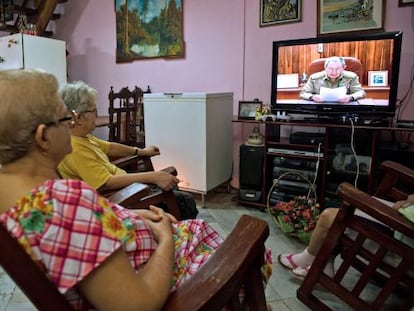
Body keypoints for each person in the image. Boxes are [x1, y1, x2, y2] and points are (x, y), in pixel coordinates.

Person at [0, 69, 272, 310]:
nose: (71, 123)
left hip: (137, 239)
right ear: (43, 137)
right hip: (166, 267)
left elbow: (84, 228)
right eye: (64, 118)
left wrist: (125, 215)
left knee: (196, 226)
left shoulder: (23, 193)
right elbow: (138, 304)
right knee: (248, 243)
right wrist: (165, 239)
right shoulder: (67, 203)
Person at [57, 81, 198, 219]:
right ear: (79, 118)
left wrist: (140, 151)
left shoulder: (83, 137)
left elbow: (110, 147)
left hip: (125, 189)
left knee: (171, 186)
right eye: (94, 110)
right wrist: (154, 176)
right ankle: (179, 236)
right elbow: (107, 182)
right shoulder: (74, 149)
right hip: (120, 200)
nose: (97, 115)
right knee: (185, 201)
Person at [277, 194, 414, 278]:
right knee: (359, 201)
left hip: (403, 237)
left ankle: (307, 258)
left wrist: (403, 206)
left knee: (329, 216)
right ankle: (325, 266)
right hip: (405, 223)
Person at [299, 56, 366, 103]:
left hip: (343, 107)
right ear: (325, 67)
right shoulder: (314, 78)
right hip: (320, 107)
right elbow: (303, 93)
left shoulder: (351, 77)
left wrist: (350, 97)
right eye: (330, 69)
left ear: (344, 68)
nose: (334, 72)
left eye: (337, 69)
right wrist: (312, 97)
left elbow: (361, 93)